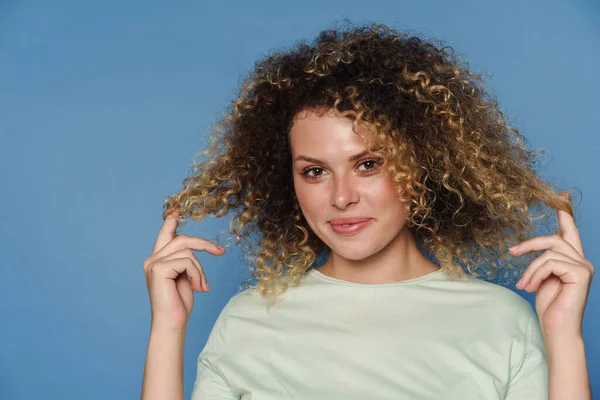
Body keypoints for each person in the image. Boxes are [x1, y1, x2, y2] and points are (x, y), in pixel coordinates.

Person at [141, 22, 594, 399]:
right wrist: (167, 328)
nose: (341, 197)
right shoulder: (247, 320)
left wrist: (563, 337)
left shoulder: (502, 320)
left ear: (420, 166)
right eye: (315, 171)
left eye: (368, 164)